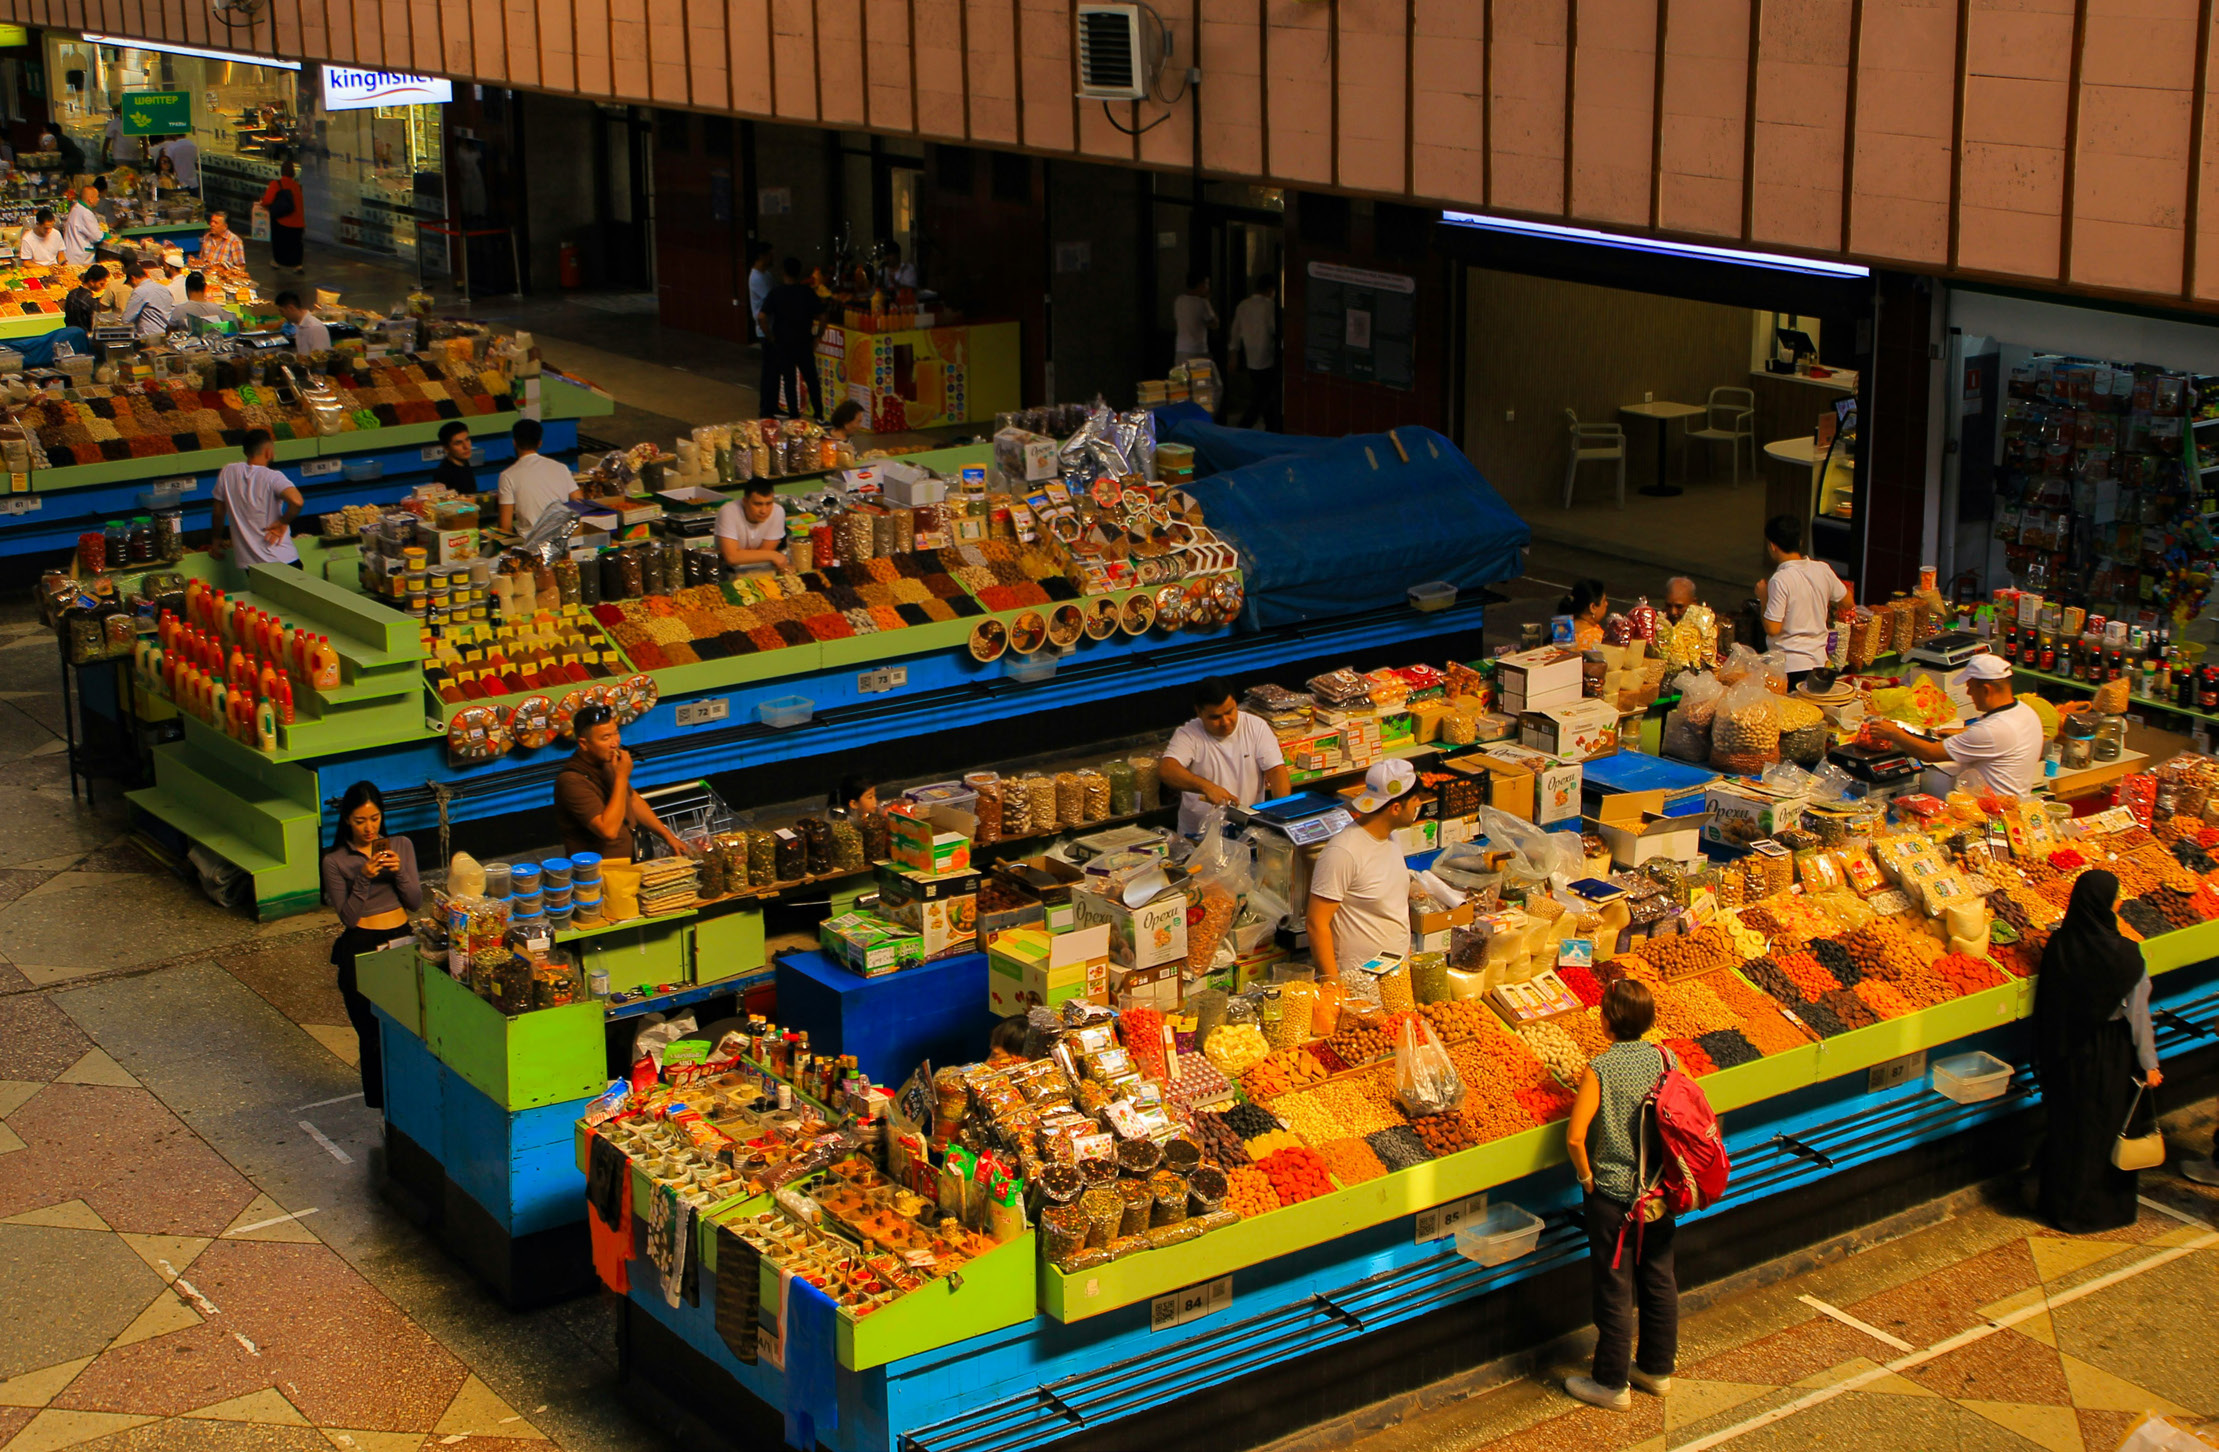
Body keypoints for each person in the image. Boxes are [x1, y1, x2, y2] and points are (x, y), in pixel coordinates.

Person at [1564, 979, 1678, 1411]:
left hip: (1614, 1196)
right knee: (1658, 1278)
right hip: (1660, 1191)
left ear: (1608, 1021)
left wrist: (1588, 1179)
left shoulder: (1600, 1068)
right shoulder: (1667, 1058)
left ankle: (1611, 1383)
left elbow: (1576, 1138)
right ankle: (1655, 1369)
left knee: (1614, 1287)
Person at [2034, 870, 2162, 1233]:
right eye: (2117, 896)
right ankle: (2099, 1210)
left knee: (2070, 1129)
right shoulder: (2126, 957)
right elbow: (2139, 1018)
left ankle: (2060, 1206)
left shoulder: (2060, 945)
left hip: (2068, 1054)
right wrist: (2149, 1064)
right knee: (2104, 1128)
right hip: (2110, 1054)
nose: (2121, 902)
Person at [319, 781, 422, 1112]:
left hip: (401, 940)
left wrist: (398, 873)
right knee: (373, 1035)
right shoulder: (335, 861)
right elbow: (348, 917)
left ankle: (410, 1097)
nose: (369, 828)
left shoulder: (401, 845)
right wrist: (363, 877)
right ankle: (382, 1107)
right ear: (347, 820)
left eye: (375, 819)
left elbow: (416, 901)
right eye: (360, 821)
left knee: (410, 1027)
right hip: (363, 944)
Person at [1306, 760, 1426, 979]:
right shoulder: (1343, 852)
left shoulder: (1392, 837)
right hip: (1357, 980)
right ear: (1396, 807)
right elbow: (1316, 923)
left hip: (1394, 975)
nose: (1419, 804)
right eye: (1415, 801)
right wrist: (1334, 987)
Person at [1865, 654, 2044, 798]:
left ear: (1987, 689)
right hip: (2018, 801)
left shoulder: (1991, 731)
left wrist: (1894, 733)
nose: (1968, 693)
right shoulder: (2026, 712)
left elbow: (1929, 753)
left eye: (1970, 687)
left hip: (1991, 813)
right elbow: (1997, 739)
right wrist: (1962, 732)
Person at [554, 703, 692, 861]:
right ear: (584, 744)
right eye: (605, 738)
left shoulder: (608, 762)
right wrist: (621, 776)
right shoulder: (572, 782)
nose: (615, 743)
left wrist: (668, 836)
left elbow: (632, 800)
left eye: (616, 733)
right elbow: (608, 830)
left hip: (630, 862)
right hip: (601, 872)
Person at [1159, 676, 1292, 838]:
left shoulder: (1256, 727)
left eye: (1229, 712)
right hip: (1198, 837)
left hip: (1247, 831)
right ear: (1199, 712)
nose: (1225, 722)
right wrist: (1207, 787)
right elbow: (1168, 770)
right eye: (1215, 717)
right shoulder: (1188, 734)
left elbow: (1277, 771)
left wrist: (1283, 813)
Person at [1756, 515, 1848, 686]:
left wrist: (1764, 599)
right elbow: (1847, 601)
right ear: (1800, 542)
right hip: (1820, 663)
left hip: (1790, 667)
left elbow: (1772, 628)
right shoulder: (1822, 569)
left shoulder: (1780, 579)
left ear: (1772, 546)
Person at [210, 429, 303, 568]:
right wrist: (283, 522)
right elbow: (297, 501)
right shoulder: (273, 477)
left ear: (245, 452)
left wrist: (216, 540)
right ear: (268, 452)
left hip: (252, 566)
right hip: (284, 560)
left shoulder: (228, 472)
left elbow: (218, 512)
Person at [760, 256, 823, 419]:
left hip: (783, 343)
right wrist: (818, 336)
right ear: (799, 273)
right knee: (811, 379)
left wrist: (770, 337)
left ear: (783, 272)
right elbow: (824, 314)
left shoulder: (776, 293)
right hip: (804, 342)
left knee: (789, 381)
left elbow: (761, 317)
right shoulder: (806, 292)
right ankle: (819, 413)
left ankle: (794, 415)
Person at [496, 417, 582, 534]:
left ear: (514, 443)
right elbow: (579, 502)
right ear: (539, 443)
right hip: (562, 537)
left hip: (529, 543)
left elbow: (505, 527)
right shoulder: (561, 468)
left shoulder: (507, 476)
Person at [1226, 275, 1281, 430]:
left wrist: (1233, 355)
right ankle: (1244, 426)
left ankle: (1272, 427)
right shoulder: (1269, 306)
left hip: (1250, 357)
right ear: (1271, 290)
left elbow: (1235, 333)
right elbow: (1275, 329)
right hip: (1267, 358)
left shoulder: (1243, 305)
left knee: (1263, 394)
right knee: (1263, 397)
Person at [715, 479, 789, 572]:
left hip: (757, 571)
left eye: (769, 503)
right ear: (745, 501)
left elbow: (763, 555)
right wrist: (773, 555)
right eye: (758, 504)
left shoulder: (778, 512)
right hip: (727, 572)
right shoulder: (728, 512)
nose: (764, 511)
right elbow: (731, 557)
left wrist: (742, 554)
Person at [260, 159, 306, 274]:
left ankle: (277, 261)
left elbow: (267, 200)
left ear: (281, 171)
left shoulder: (276, 184)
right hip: (298, 221)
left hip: (282, 220)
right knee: (296, 243)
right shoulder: (297, 186)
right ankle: (297, 265)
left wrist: (262, 202)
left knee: (279, 242)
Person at [1172, 271, 1216, 368]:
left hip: (1181, 348)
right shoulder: (1202, 303)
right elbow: (1214, 324)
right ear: (1200, 285)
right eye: (1206, 284)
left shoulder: (1179, 301)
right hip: (1198, 350)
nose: (1208, 288)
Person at [121, 260, 173, 336]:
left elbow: (126, 319)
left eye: (130, 284)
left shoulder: (140, 291)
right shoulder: (163, 288)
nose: (132, 286)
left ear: (133, 278)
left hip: (148, 337)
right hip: (165, 333)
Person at [60, 183, 103, 266]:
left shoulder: (76, 207)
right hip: (80, 258)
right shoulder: (86, 213)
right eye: (97, 197)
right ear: (90, 199)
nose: (98, 199)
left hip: (73, 253)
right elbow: (97, 237)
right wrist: (106, 235)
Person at [1560, 578, 1610, 650]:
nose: (1606, 604)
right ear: (1593, 607)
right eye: (1604, 601)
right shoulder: (1599, 639)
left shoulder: (1561, 626)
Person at [275, 290, 329, 354]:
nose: (282, 315)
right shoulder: (298, 325)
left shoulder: (315, 328)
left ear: (291, 308)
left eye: (282, 311)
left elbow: (320, 358)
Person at [430, 421, 476, 493]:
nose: (466, 446)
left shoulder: (465, 463)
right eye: (458, 443)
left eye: (467, 440)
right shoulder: (443, 475)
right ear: (446, 448)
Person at [746, 241, 776, 344]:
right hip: (765, 329)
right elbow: (772, 299)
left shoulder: (766, 274)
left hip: (771, 326)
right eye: (770, 255)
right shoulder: (756, 278)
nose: (772, 258)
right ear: (761, 256)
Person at [62, 265, 104, 334]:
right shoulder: (92, 302)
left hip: (70, 334)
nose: (103, 287)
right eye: (101, 284)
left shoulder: (71, 293)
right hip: (85, 337)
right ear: (91, 281)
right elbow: (95, 327)